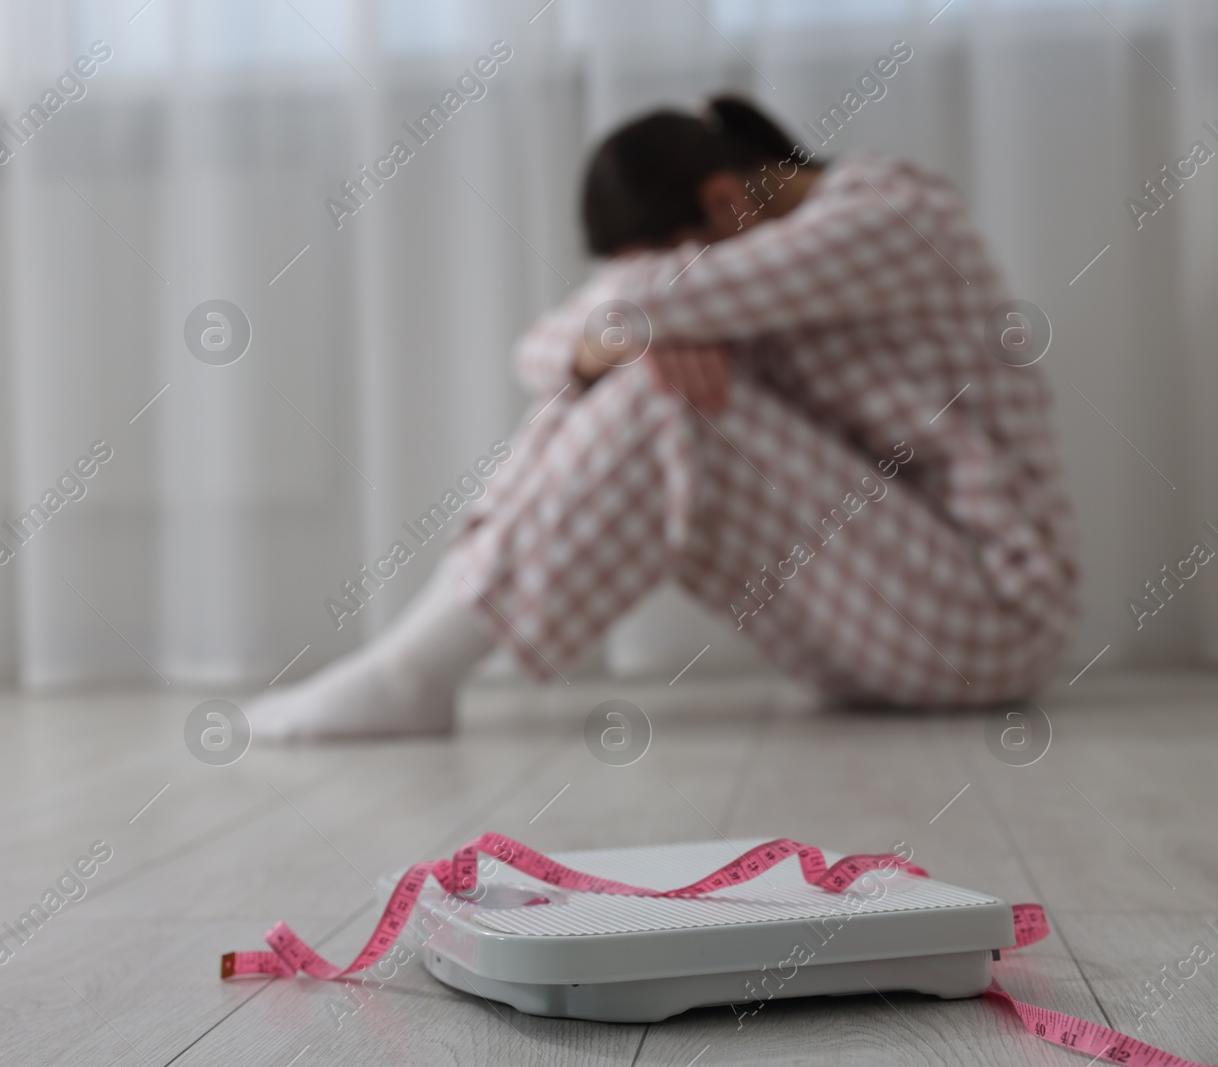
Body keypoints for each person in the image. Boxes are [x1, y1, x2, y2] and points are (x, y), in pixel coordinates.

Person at [251, 96, 1078, 742]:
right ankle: (409, 672)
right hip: (866, 634)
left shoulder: (894, 218)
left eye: (679, 255)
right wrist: (634, 339)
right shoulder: (746, 259)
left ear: (726, 202)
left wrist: (638, 329)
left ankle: (412, 674)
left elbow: (632, 305)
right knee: (645, 376)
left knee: (664, 397)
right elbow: (545, 345)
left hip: (992, 613)